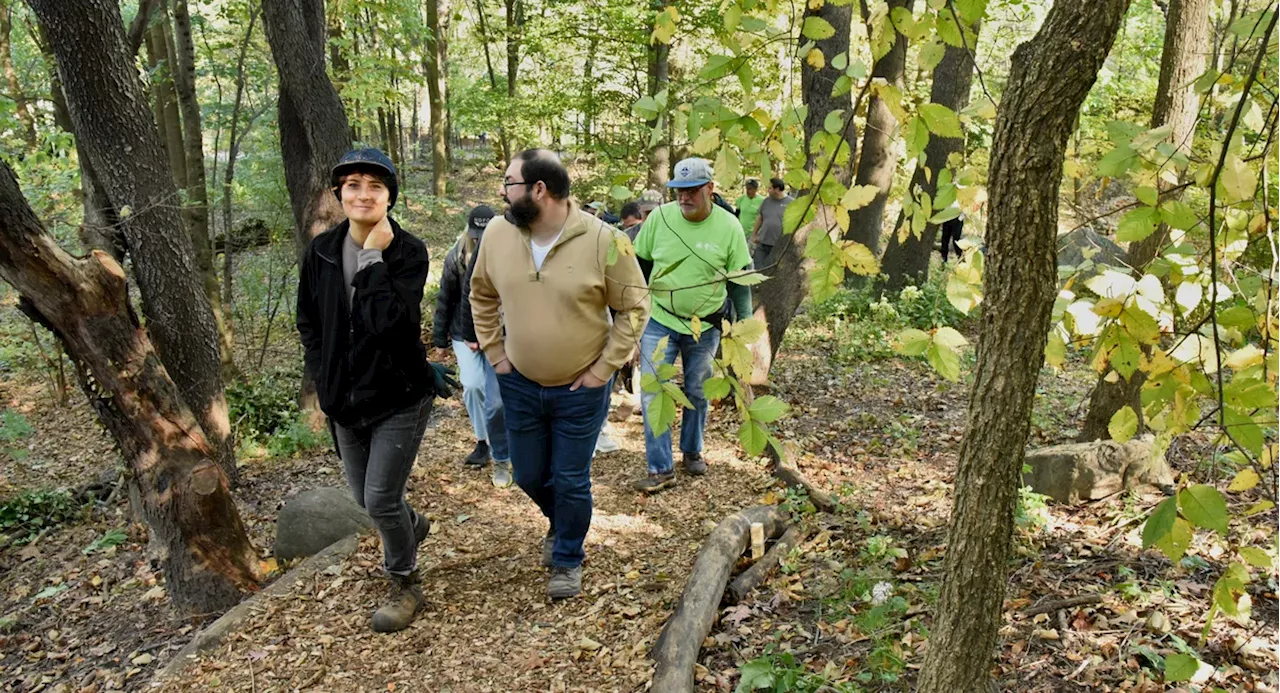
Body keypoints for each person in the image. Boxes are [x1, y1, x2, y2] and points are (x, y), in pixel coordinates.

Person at [470, 149, 649, 599]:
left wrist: (603, 369)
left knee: (570, 478)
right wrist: (496, 355)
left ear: (538, 190)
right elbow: (481, 295)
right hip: (519, 383)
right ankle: (565, 520)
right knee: (529, 474)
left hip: (581, 389)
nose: (502, 192)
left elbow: (634, 306)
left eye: (509, 183)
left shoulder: (604, 240)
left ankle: (568, 556)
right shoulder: (496, 233)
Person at [296, 148, 457, 633]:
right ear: (339, 193)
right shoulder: (321, 251)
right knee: (369, 502)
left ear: (389, 196)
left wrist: (371, 259)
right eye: (353, 186)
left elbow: (392, 326)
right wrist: (322, 380)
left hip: (399, 395)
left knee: (382, 499)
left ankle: (405, 583)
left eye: (375, 186)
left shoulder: (407, 251)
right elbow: (310, 323)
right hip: (344, 399)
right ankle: (413, 528)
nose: (363, 195)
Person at [632, 157, 753, 493]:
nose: (683, 197)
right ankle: (660, 468)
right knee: (654, 391)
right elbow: (639, 265)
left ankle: (691, 449)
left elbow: (740, 281)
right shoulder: (659, 218)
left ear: (710, 189)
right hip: (659, 319)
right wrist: (634, 310)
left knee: (697, 390)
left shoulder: (729, 227)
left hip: (707, 325)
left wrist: (743, 327)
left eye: (691, 191)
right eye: (678, 191)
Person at [431, 205, 513, 488]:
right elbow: (447, 297)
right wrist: (439, 339)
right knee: (473, 384)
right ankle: (483, 441)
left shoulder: (507, 252)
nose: (479, 240)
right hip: (461, 332)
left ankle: (502, 443)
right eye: (476, 235)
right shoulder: (456, 255)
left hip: (496, 333)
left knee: (497, 396)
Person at [750, 178, 793, 270]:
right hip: (763, 243)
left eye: (770, 188)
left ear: (777, 189)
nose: (767, 190)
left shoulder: (791, 203)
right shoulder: (766, 201)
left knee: (772, 271)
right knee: (758, 269)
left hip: (779, 245)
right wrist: (754, 234)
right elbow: (760, 218)